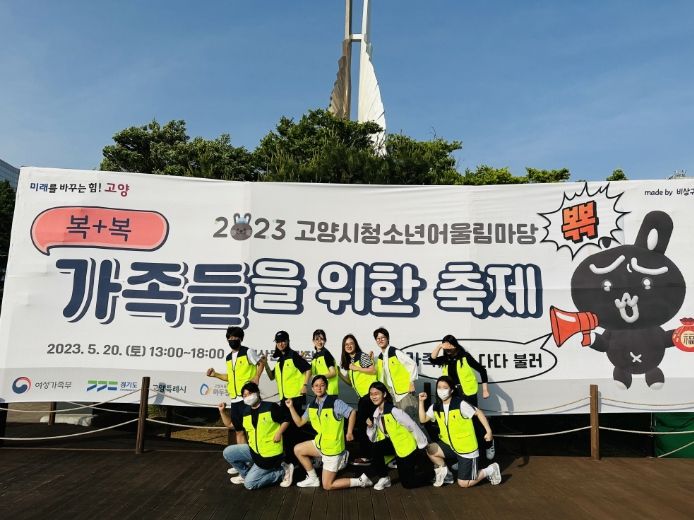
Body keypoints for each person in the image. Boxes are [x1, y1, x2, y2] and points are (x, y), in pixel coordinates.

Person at [285, 375, 372, 489]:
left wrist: (349, 432)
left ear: (326, 387)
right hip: (320, 444)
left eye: (322, 385)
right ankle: (313, 478)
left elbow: (352, 413)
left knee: (327, 485)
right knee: (298, 449)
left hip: (333, 449)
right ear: (312, 388)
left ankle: (361, 481)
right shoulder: (311, 406)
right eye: (316, 386)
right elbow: (299, 422)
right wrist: (291, 407)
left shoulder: (335, 402)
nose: (319, 388)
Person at [418, 376, 501, 488]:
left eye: (445, 387)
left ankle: (491, 469)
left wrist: (489, 431)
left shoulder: (460, 404)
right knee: (430, 449)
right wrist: (421, 402)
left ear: (451, 390)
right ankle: (447, 476)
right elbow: (423, 419)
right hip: (451, 445)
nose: (441, 390)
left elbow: (479, 413)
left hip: (467, 449)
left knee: (464, 483)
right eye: (439, 387)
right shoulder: (436, 406)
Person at [218, 382, 295, 489]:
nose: (247, 397)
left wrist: (279, 433)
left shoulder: (270, 407)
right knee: (228, 452)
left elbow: (286, 419)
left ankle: (282, 471)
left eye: (249, 394)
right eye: (244, 396)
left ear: (257, 393)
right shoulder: (246, 412)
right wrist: (222, 412)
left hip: (270, 454)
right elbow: (230, 425)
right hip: (254, 451)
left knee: (250, 484)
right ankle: (245, 474)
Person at [430, 334, 495, 459]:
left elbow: (482, 370)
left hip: (467, 393)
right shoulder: (445, 359)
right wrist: (439, 346)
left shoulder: (465, 357)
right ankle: (460, 453)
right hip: (453, 394)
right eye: (446, 346)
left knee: (475, 420)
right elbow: (432, 359)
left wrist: (485, 389)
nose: (448, 349)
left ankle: (489, 443)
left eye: (450, 345)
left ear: (455, 344)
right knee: (458, 423)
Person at [366, 381, 435, 490]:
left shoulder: (394, 411)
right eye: (371, 394)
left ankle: (433, 475)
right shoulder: (376, 414)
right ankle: (384, 477)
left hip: (407, 447)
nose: (373, 397)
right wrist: (370, 427)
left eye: (376, 394)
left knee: (408, 484)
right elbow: (373, 438)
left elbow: (412, 425)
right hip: (394, 445)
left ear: (384, 394)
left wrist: (422, 444)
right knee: (375, 448)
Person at [206, 326, 265, 448]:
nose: (233, 340)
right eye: (230, 338)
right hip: (234, 399)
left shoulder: (248, 351)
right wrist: (215, 374)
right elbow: (230, 377)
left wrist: (257, 377)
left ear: (241, 339)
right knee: (238, 430)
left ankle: (258, 456)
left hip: (248, 398)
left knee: (253, 429)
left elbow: (261, 363)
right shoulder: (228, 357)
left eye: (235, 337)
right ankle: (245, 457)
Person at [264, 330, 312, 470]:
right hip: (285, 399)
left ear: (287, 341)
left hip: (296, 398)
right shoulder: (280, 360)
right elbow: (271, 376)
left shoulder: (293, 356)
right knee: (287, 430)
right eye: (278, 342)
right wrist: (265, 364)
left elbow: (308, 369)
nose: (281, 344)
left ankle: (298, 460)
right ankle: (291, 459)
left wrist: (304, 385)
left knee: (295, 430)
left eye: (283, 341)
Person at [337, 333, 377, 466]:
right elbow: (351, 382)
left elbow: (373, 370)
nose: (349, 346)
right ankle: (371, 456)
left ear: (355, 344)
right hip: (363, 398)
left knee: (364, 426)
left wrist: (357, 368)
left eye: (351, 343)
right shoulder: (351, 361)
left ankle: (368, 456)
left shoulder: (362, 356)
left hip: (370, 396)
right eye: (346, 344)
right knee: (366, 426)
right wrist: (339, 374)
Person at [373, 327, 419, 422]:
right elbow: (380, 376)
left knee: (412, 420)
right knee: (400, 422)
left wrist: (411, 382)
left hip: (405, 393)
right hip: (392, 394)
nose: (380, 340)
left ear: (387, 338)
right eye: (378, 338)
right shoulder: (381, 357)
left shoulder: (395, 352)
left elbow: (412, 364)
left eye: (383, 337)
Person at [310, 329, 339, 396]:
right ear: (313, 341)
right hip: (320, 393)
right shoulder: (314, 357)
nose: (319, 342)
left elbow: (333, 372)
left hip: (329, 393)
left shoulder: (326, 354)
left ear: (325, 340)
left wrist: (319, 378)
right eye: (317, 339)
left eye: (322, 339)